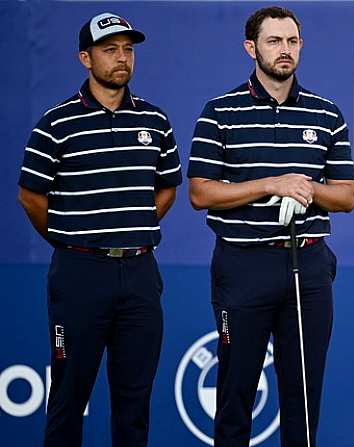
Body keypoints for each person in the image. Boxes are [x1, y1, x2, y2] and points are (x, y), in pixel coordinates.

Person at [187, 6, 354, 447]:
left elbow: (347, 196)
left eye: (292, 41)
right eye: (274, 41)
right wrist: (270, 185)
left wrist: (305, 190)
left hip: (308, 265)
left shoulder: (325, 113)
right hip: (243, 265)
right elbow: (200, 192)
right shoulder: (220, 111)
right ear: (251, 48)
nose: (285, 50)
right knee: (235, 393)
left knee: (303, 396)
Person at [17, 12, 182, 446]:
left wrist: (134, 226)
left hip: (140, 274)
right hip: (79, 275)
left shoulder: (155, 120)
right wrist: (70, 240)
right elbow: (31, 197)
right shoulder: (57, 123)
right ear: (85, 59)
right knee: (69, 397)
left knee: (134, 403)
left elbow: (167, 189)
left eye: (128, 49)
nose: (122, 58)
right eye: (110, 50)